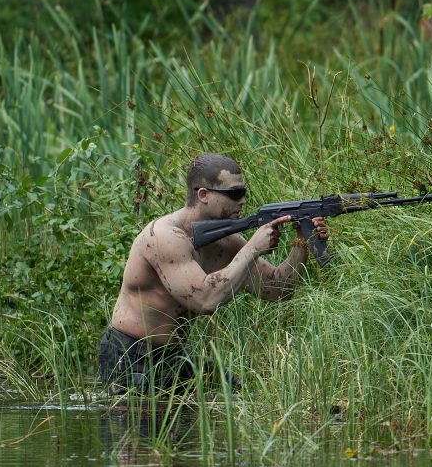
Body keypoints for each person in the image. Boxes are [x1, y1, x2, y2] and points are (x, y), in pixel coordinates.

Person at [98, 153, 328, 393]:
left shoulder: (225, 241)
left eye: (244, 192)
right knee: (140, 427)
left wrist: (302, 242)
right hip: (130, 353)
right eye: (234, 194)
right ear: (204, 195)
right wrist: (252, 249)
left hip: (173, 355)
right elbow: (205, 300)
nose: (242, 201)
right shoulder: (165, 238)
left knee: (236, 391)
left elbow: (277, 289)